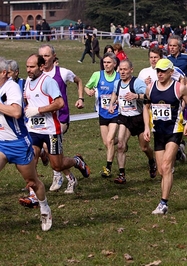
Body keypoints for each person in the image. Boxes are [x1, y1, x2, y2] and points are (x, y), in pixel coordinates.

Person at [24, 54, 90, 193]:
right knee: (32, 160)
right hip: (33, 129)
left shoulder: (48, 82)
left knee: (58, 166)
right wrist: (27, 108)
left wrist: (38, 110)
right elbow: (30, 101)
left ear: (41, 67)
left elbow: (60, 103)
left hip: (51, 130)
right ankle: (33, 195)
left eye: (32, 67)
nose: (28, 70)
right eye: (27, 66)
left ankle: (77, 161)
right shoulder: (27, 82)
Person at [0, 58, 52, 231]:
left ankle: (44, 208)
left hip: (19, 143)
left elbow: (16, 112)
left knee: (32, 181)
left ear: (3, 73)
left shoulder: (11, 87)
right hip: (1, 143)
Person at [143, 58, 187, 214]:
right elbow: (146, 108)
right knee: (161, 170)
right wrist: (146, 126)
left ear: (171, 72)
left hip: (175, 130)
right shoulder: (150, 88)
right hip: (158, 132)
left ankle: (163, 203)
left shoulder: (179, 88)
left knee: (166, 167)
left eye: (163, 71)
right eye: (158, 71)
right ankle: (178, 152)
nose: (160, 74)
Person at [108, 59, 157, 184]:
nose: (122, 72)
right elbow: (115, 93)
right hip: (125, 118)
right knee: (120, 146)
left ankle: (152, 161)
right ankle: (121, 175)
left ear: (131, 70)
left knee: (144, 148)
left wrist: (136, 96)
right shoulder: (117, 83)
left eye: (125, 69)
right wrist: (112, 104)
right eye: (121, 69)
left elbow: (150, 96)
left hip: (139, 118)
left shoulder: (137, 83)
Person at [84, 52, 120, 177]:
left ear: (114, 64)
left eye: (109, 62)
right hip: (102, 113)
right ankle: (121, 140)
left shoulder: (119, 77)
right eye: (104, 62)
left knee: (109, 140)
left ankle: (108, 168)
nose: (106, 65)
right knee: (107, 143)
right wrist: (89, 91)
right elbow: (87, 87)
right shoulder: (97, 75)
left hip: (115, 112)